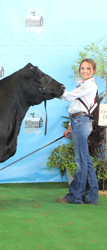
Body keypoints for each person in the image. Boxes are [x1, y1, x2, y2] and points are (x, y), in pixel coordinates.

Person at [56, 58, 99, 205]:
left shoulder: (88, 85)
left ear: (93, 71)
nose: (85, 71)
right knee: (85, 160)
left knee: (81, 161)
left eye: (88, 68)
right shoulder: (82, 85)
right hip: (78, 122)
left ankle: (75, 196)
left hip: (80, 123)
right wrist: (69, 127)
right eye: (82, 68)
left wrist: (53, 90)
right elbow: (75, 108)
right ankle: (92, 196)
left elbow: (67, 96)